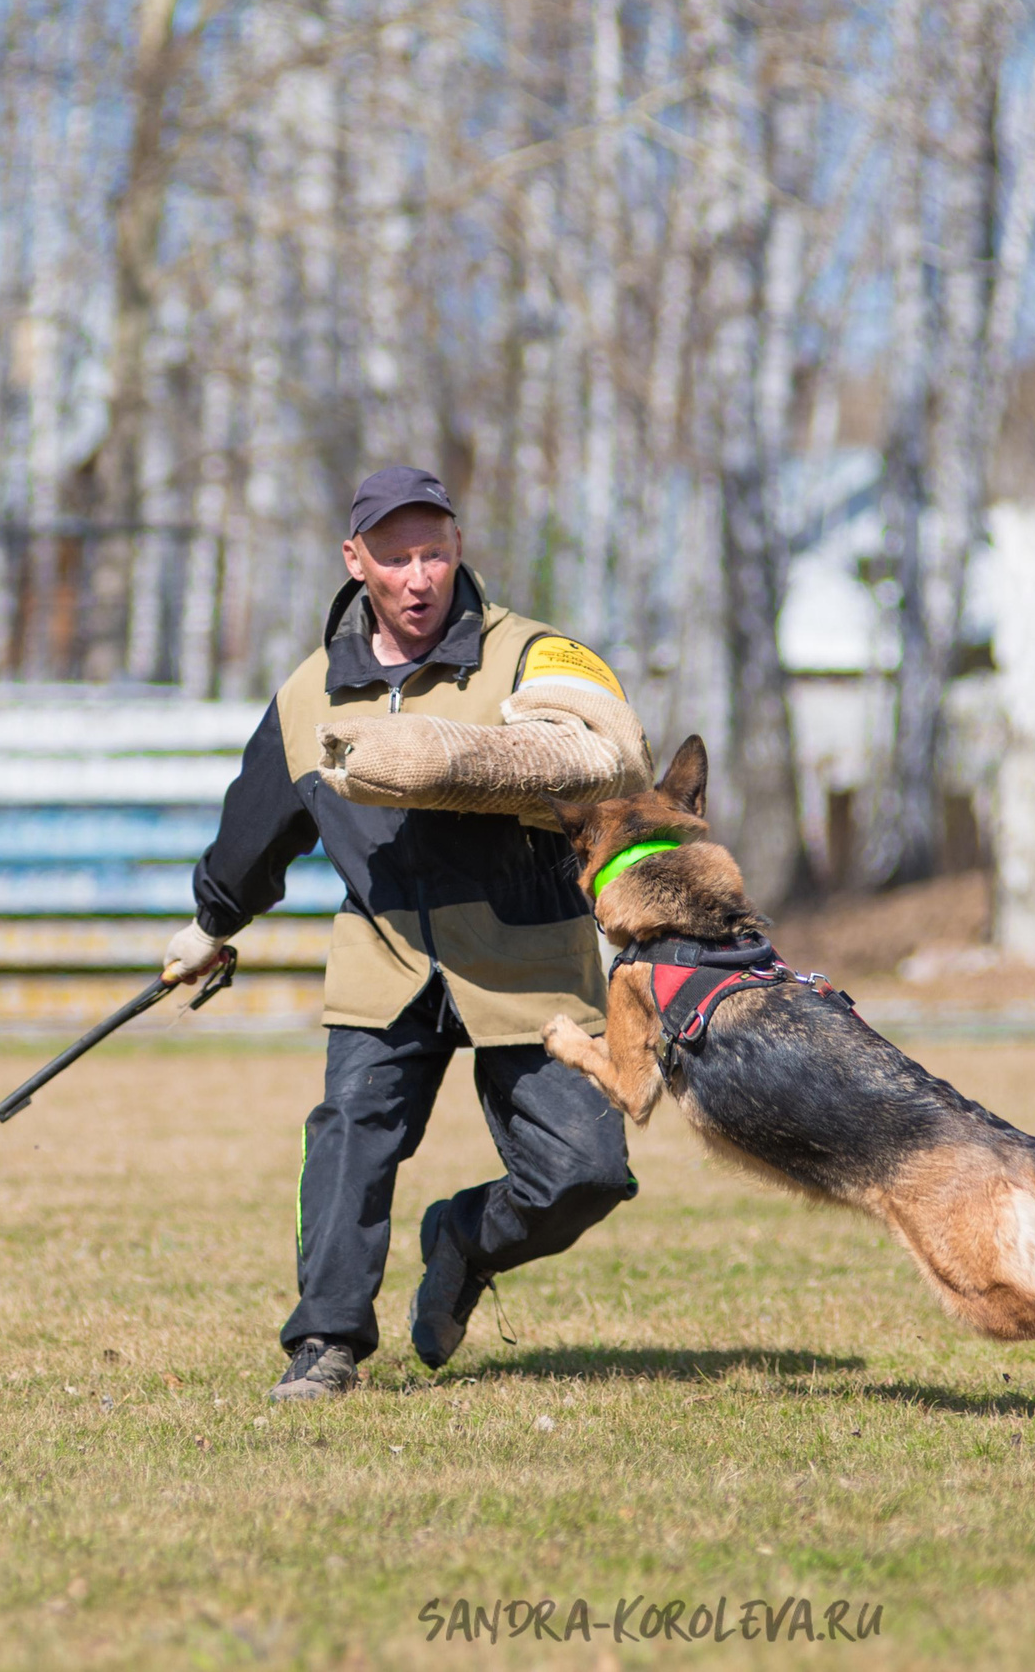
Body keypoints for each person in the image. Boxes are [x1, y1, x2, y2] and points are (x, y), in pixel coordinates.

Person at [160, 466, 656, 1402]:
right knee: (350, 1134)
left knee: (588, 1175)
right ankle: (326, 1344)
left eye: (434, 551)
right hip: (387, 960)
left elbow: (605, 748)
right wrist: (209, 921)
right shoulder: (312, 696)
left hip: (527, 964)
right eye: (395, 557)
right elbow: (258, 822)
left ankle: (463, 1240)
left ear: (458, 546)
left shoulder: (538, 656)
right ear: (357, 563)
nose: (419, 576)